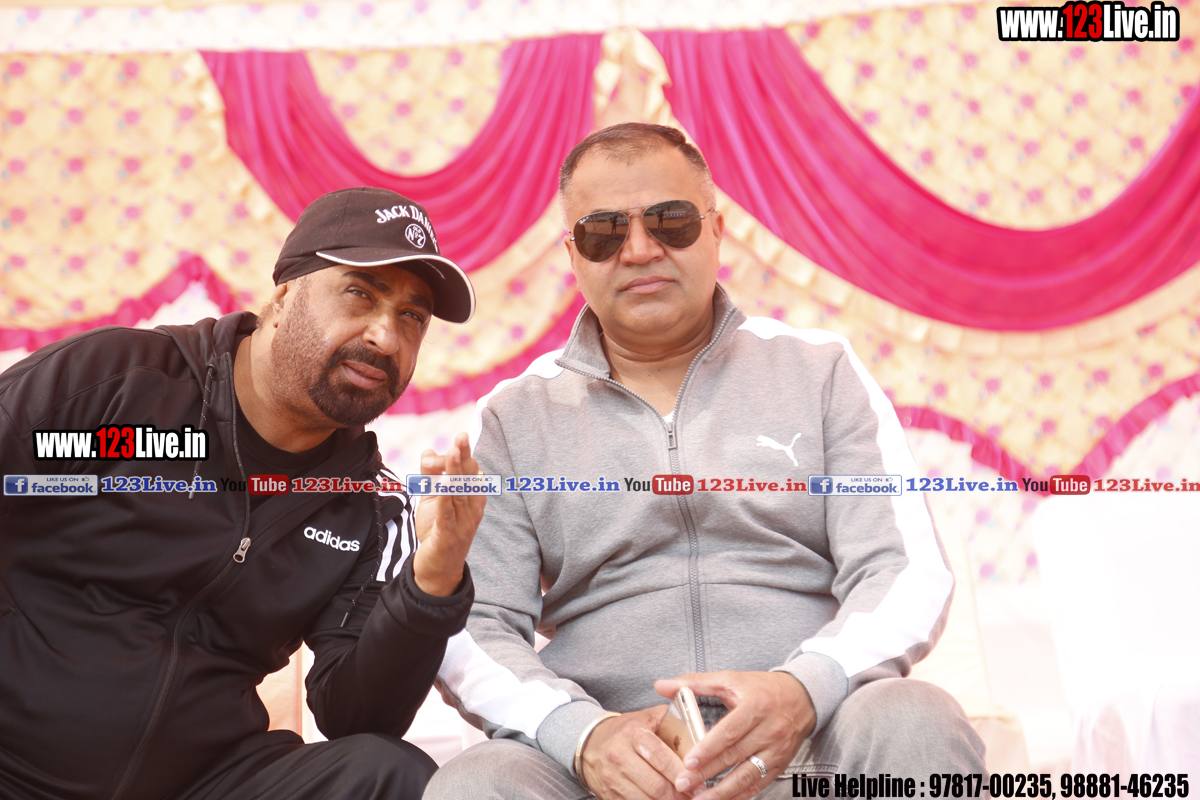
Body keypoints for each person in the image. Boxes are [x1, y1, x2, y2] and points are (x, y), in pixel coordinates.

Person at [424, 124, 986, 800]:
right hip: (611, 768)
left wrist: (801, 690)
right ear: (573, 255)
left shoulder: (820, 371)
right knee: (476, 782)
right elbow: (475, 622)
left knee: (913, 717)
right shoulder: (513, 419)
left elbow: (904, 571)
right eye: (604, 232)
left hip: (808, 746)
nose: (639, 250)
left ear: (716, 231)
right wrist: (583, 735)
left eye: (671, 222)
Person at [0, 187, 486, 800]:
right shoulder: (121, 386)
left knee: (392, 774)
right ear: (282, 299)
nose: (386, 336)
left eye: (413, 317)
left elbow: (357, 717)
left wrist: (433, 581)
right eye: (360, 293)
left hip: (201, 784)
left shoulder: (366, 508)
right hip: (14, 764)